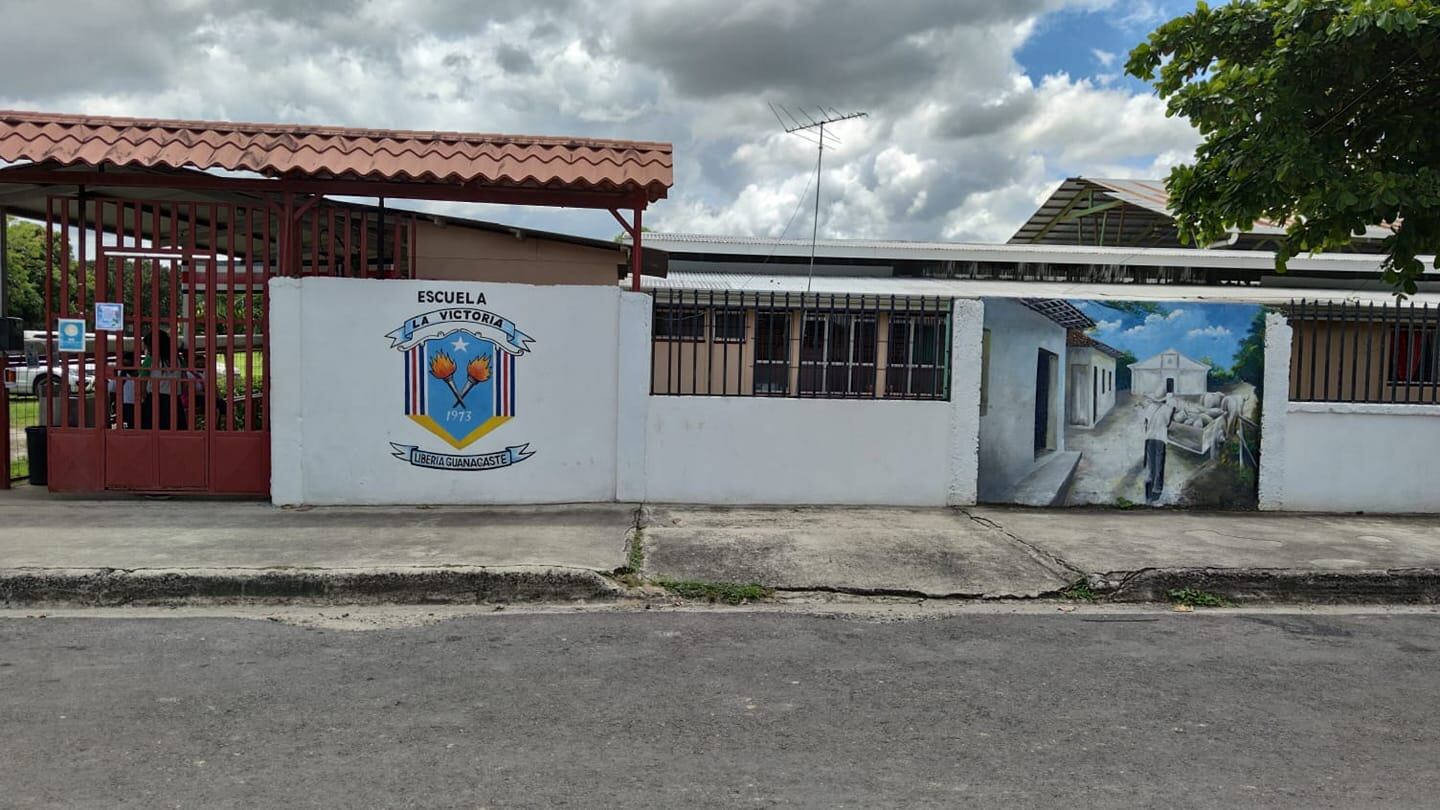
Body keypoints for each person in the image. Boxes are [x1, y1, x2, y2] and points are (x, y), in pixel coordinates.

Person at [1143, 394, 1177, 504]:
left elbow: (1146, 423)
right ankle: (1157, 490)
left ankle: (1148, 491)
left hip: (1149, 438)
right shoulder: (1166, 409)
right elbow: (1168, 424)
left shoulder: (1150, 407)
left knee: (1150, 464)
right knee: (1159, 464)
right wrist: (1173, 411)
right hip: (1160, 439)